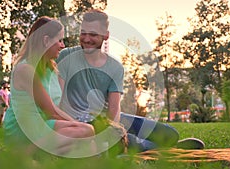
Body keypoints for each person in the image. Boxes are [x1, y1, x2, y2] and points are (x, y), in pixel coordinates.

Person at [57, 9, 204, 154]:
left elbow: (114, 108)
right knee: (129, 142)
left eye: (93, 34)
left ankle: (168, 143)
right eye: (83, 33)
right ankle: (167, 149)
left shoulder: (115, 67)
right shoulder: (66, 56)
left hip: (107, 118)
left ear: (106, 36)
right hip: (81, 122)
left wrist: (112, 129)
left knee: (170, 134)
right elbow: (57, 96)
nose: (87, 39)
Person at [3, 16, 96, 157]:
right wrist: (77, 125)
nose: (62, 45)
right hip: (24, 130)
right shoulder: (25, 69)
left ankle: (44, 158)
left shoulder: (49, 69)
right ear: (46, 41)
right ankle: (23, 155)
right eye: (59, 41)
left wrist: (77, 127)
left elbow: (55, 109)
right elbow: (51, 111)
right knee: (86, 132)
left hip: (43, 125)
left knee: (87, 138)